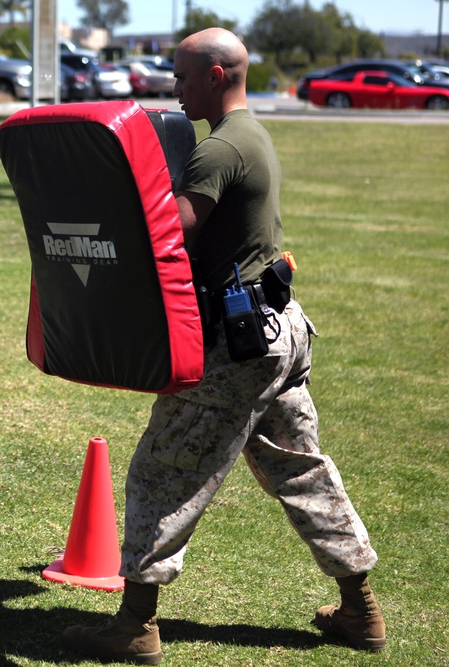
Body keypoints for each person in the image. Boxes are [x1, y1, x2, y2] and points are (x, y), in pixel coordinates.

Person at [61, 28, 385, 664]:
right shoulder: (251, 133)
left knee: (164, 469)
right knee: (299, 466)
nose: (172, 88)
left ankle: (134, 625)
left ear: (215, 75)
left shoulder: (217, 151)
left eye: (181, 78)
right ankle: (359, 608)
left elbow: (168, 236)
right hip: (279, 329)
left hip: (237, 347)